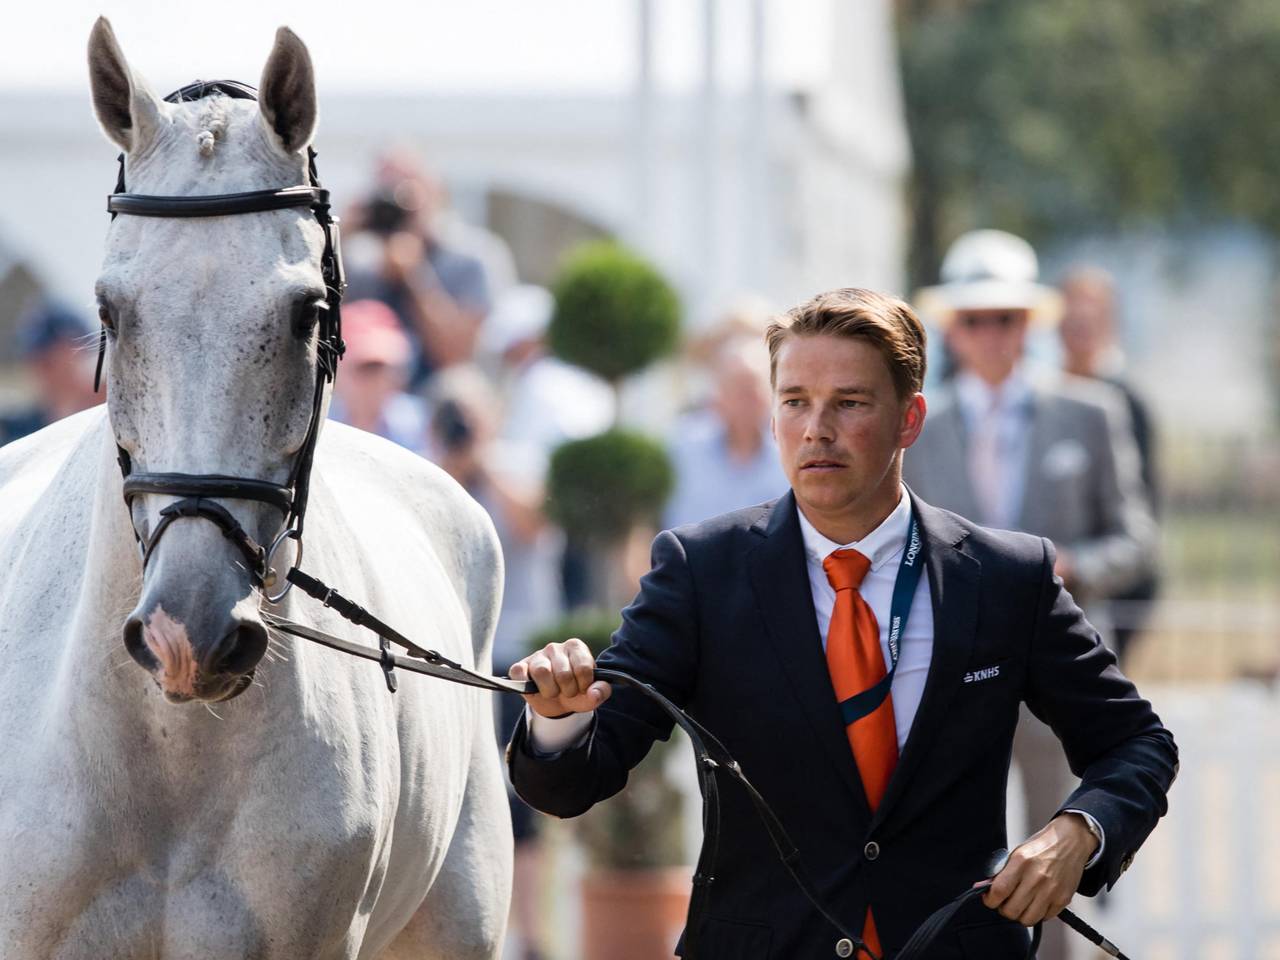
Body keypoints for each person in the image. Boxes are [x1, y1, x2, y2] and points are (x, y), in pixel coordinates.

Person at [506, 287, 1177, 959]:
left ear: (910, 419)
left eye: (849, 403)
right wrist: (558, 720)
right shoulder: (699, 572)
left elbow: (1138, 743)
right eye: (795, 401)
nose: (815, 429)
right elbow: (571, 784)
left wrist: (1079, 831)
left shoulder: (1006, 576)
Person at [903, 231, 1157, 959]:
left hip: (1062, 670)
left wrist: (1071, 564)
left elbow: (1138, 538)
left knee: (1056, 851)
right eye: (976, 318)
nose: (991, 334)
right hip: (947, 670)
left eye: (1007, 317)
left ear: (1030, 324)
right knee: (945, 854)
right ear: (953, 325)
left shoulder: (1091, 411)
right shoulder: (918, 426)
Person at [427, 365, 560, 960]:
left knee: (523, 799)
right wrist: (454, 468)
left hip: (517, 655)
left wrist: (484, 460)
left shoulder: (520, 464)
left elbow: (533, 526)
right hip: (449, 661)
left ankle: (529, 936)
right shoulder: (429, 476)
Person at [1058, 266, 1161, 662]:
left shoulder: (1124, 403)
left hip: (1105, 591)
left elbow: (1139, 514)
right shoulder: (1036, 399)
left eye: (1091, 318)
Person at [343, 151, 497, 387]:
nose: (394, 200)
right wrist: (338, 236)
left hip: (435, 402)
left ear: (435, 191)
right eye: (384, 188)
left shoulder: (469, 259)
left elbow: (455, 357)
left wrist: (415, 277)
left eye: (405, 189)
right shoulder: (357, 262)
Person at [663, 335, 788, 529]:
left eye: (754, 389)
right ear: (718, 396)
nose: (747, 401)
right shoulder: (681, 448)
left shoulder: (791, 454)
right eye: (738, 389)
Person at [327, 299, 430, 455]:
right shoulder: (320, 429)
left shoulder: (422, 426)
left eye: (381, 368)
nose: (375, 382)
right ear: (337, 372)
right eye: (364, 368)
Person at [0, 300, 98, 446]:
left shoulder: (108, 418)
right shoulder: (17, 430)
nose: (39, 365)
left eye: (49, 358)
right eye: (36, 356)